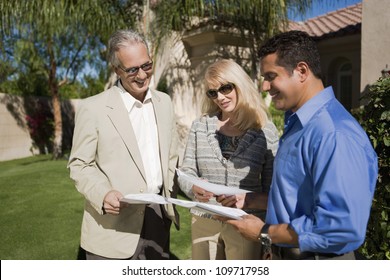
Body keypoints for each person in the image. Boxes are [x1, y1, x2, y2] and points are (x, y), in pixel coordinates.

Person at [224, 31, 378, 260]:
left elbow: (340, 229)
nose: (265, 86)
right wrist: (254, 200)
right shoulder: (298, 123)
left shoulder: (334, 134)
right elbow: (301, 197)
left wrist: (264, 232)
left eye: (271, 76)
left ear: (302, 71)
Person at [67, 29, 179, 260]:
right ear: (117, 69)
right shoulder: (93, 108)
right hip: (111, 229)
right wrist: (103, 193)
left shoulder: (165, 102)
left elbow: (171, 160)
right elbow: (80, 164)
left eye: (146, 66)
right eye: (132, 69)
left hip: (158, 219)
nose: (142, 75)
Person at [178, 59, 279, 260]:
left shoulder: (266, 130)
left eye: (225, 88)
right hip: (204, 220)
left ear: (239, 83)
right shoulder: (200, 126)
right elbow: (186, 172)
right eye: (213, 92)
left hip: (246, 223)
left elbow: (272, 190)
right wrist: (193, 188)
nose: (220, 97)